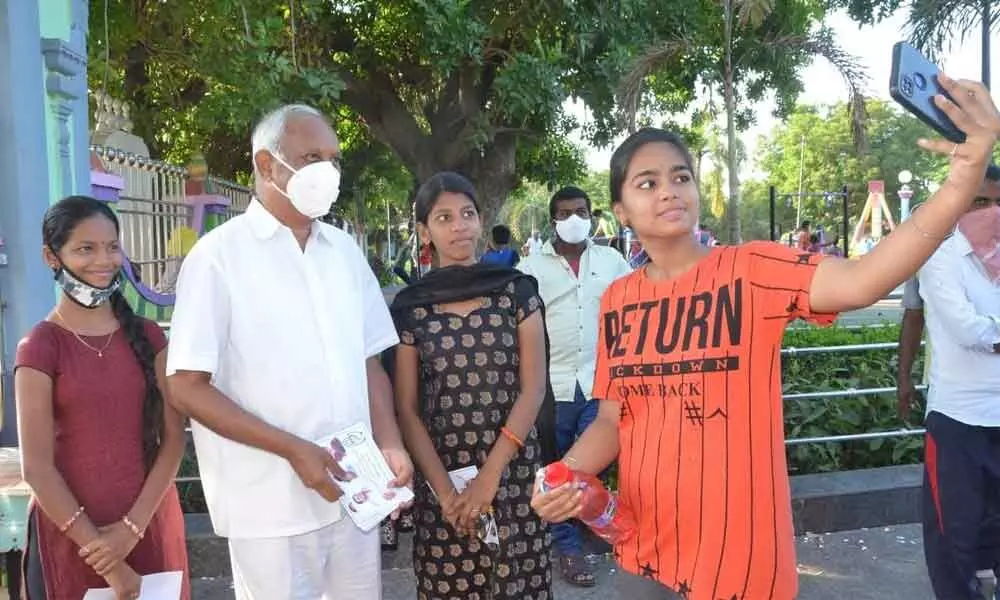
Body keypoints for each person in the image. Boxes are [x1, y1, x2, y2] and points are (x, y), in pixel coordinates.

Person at [531, 73, 1000, 600]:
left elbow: (863, 279)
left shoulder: (751, 269)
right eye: (647, 183)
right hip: (644, 551)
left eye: (680, 177)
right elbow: (615, 418)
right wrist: (566, 475)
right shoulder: (618, 299)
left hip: (742, 566)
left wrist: (963, 180)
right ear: (619, 210)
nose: (669, 190)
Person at [165, 104, 413, 600]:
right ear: (266, 164)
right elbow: (186, 386)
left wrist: (390, 441)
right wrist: (293, 449)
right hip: (268, 506)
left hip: (353, 496)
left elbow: (368, 361)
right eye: (312, 156)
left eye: (334, 159)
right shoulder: (218, 258)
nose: (328, 170)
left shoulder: (343, 254)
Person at [16, 195, 189, 600]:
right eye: (85, 249)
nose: (103, 260)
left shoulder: (148, 336)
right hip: (73, 538)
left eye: (112, 247)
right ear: (50, 256)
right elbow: (37, 469)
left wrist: (131, 530)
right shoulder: (40, 347)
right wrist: (108, 557)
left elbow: (174, 439)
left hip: (151, 528)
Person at [391, 172, 554, 600]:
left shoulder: (515, 293)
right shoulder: (411, 308)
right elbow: (406, 409)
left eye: (467, 214)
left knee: (520, 584)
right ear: (425, 232)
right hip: (443, 479)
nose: (459, 225)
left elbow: (533, 387)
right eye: (444, 218)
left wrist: (488, 479)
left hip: (513, 475)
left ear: (481, 221)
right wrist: (447, 494)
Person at [517, 185, 630, 587]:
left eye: (580, 211)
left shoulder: (613, 261)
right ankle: (567, 548)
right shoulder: (530, 268)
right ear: (553, 221)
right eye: (564, 214)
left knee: (589, 467)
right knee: (556, 468)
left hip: (601, 383)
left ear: (591, 214)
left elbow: (634, 309)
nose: (573, 219)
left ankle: (603, 531)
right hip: (551, 387)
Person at [916, 181, 1000, 599]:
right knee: (954, 544)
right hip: (958, 422)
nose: (992, 211)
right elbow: (967, 329)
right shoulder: (939, 259)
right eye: (980, 201)